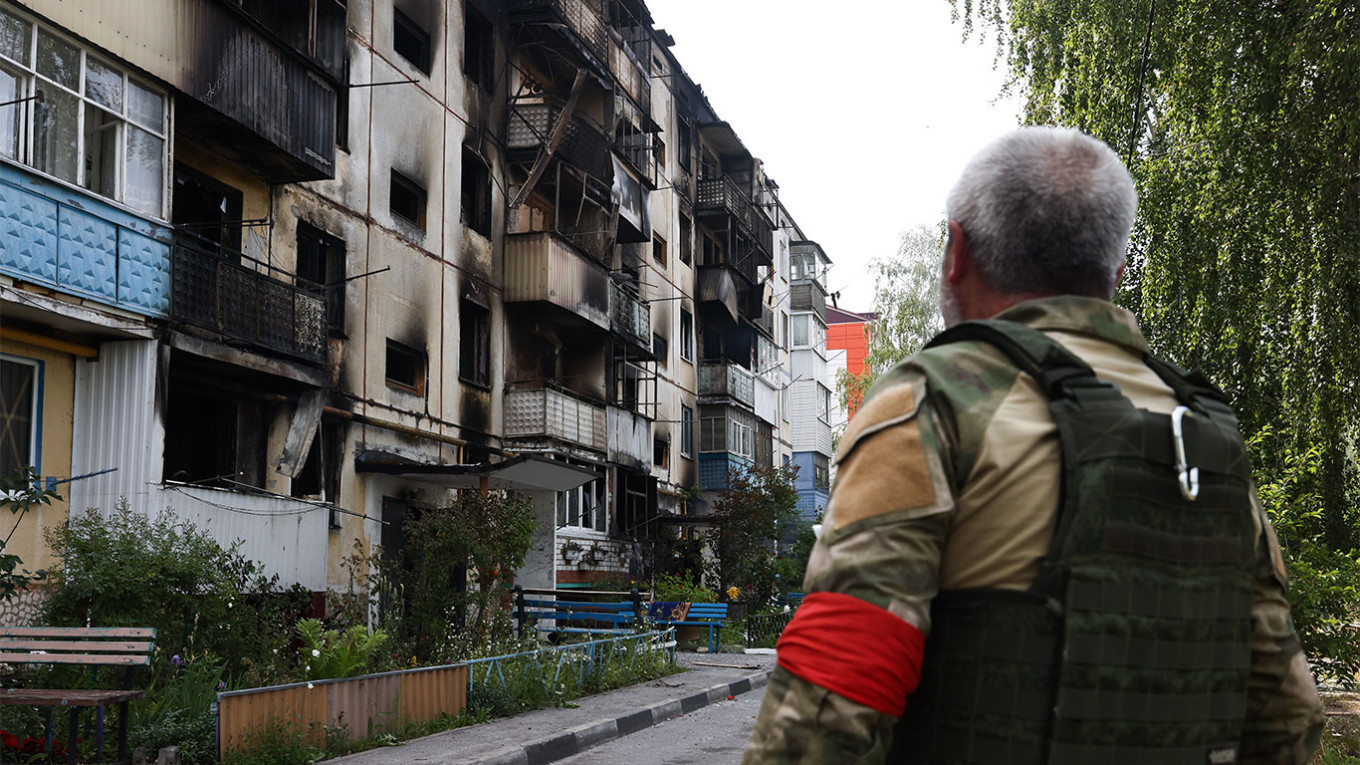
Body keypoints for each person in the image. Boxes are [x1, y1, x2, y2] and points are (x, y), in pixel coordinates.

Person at [744, 126, 1324, 764]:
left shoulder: (933, 401)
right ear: (1115, 270)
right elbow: (1288, 714)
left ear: (955, 253)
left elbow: (827, 710)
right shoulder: (1203, 428)